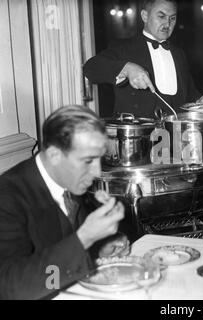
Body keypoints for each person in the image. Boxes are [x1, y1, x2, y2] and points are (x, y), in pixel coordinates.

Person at [0, 105, 127, 300]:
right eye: (88, 160)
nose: (97, 172)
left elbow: (53, 253)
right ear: (54, 155)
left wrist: (96, 249)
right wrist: (85, 238)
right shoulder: (7, 196)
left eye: (100, 160)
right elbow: (12, 288)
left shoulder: (69, 181)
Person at [83, 0, 203, 118]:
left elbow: (189, 92)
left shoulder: (179, 53)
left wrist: (199, 101)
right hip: (139, 136)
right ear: (145, 16)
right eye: (161, 16)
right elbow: (90, 68)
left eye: (172, 18)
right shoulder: (124, 48)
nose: (167, 24)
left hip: (175, 134)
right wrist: (127, 68)